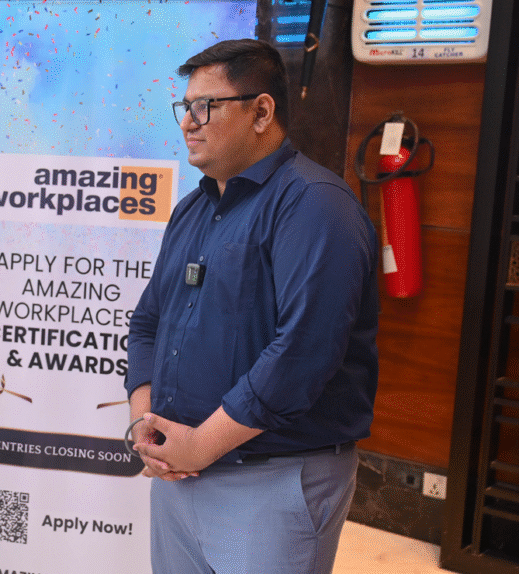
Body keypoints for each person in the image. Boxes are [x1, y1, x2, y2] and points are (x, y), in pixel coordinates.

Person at [126, 38, 379, 574]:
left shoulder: (315, 205)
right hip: (179, 472)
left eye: (205, 107)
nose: (188, 123)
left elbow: (303, 354)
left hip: (271, 479)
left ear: (262, 112)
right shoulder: (193, 209)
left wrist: (201, 445)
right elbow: (148, 322)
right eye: (184, 107)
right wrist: (146, 424)